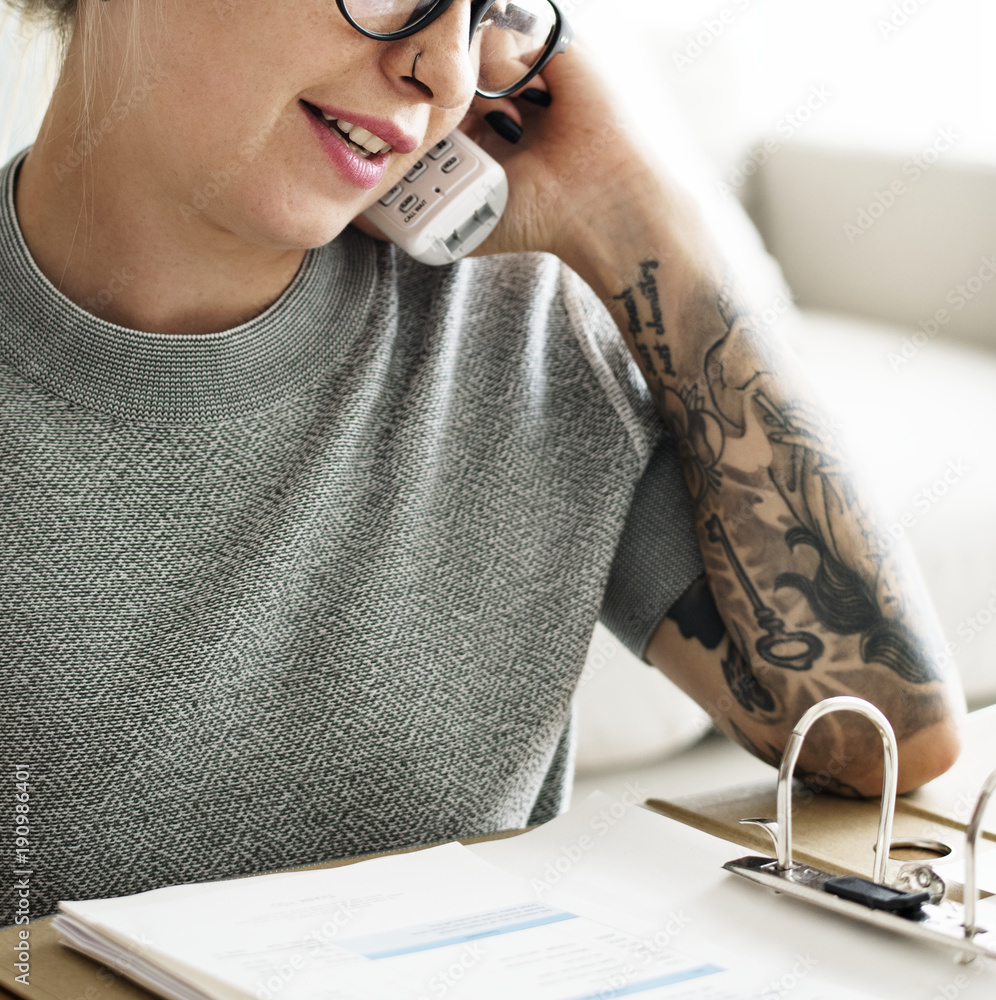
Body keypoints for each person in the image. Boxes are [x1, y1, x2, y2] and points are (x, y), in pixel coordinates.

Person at [0, 0, 965, 927]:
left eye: (480, 8)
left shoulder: (520, 326)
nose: (448, 70)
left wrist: (632, 210)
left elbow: (880, 736)